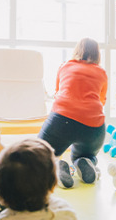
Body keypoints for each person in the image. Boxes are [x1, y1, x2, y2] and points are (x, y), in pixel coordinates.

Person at [38, 38, 108, 189]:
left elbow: (58, 92)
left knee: (40, 153)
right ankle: (85, 161)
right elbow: (102, 100)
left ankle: (56, 164)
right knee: (87, 155)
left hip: (63, 121)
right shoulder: (101, 73)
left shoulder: (65, 67)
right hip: (95, 127)